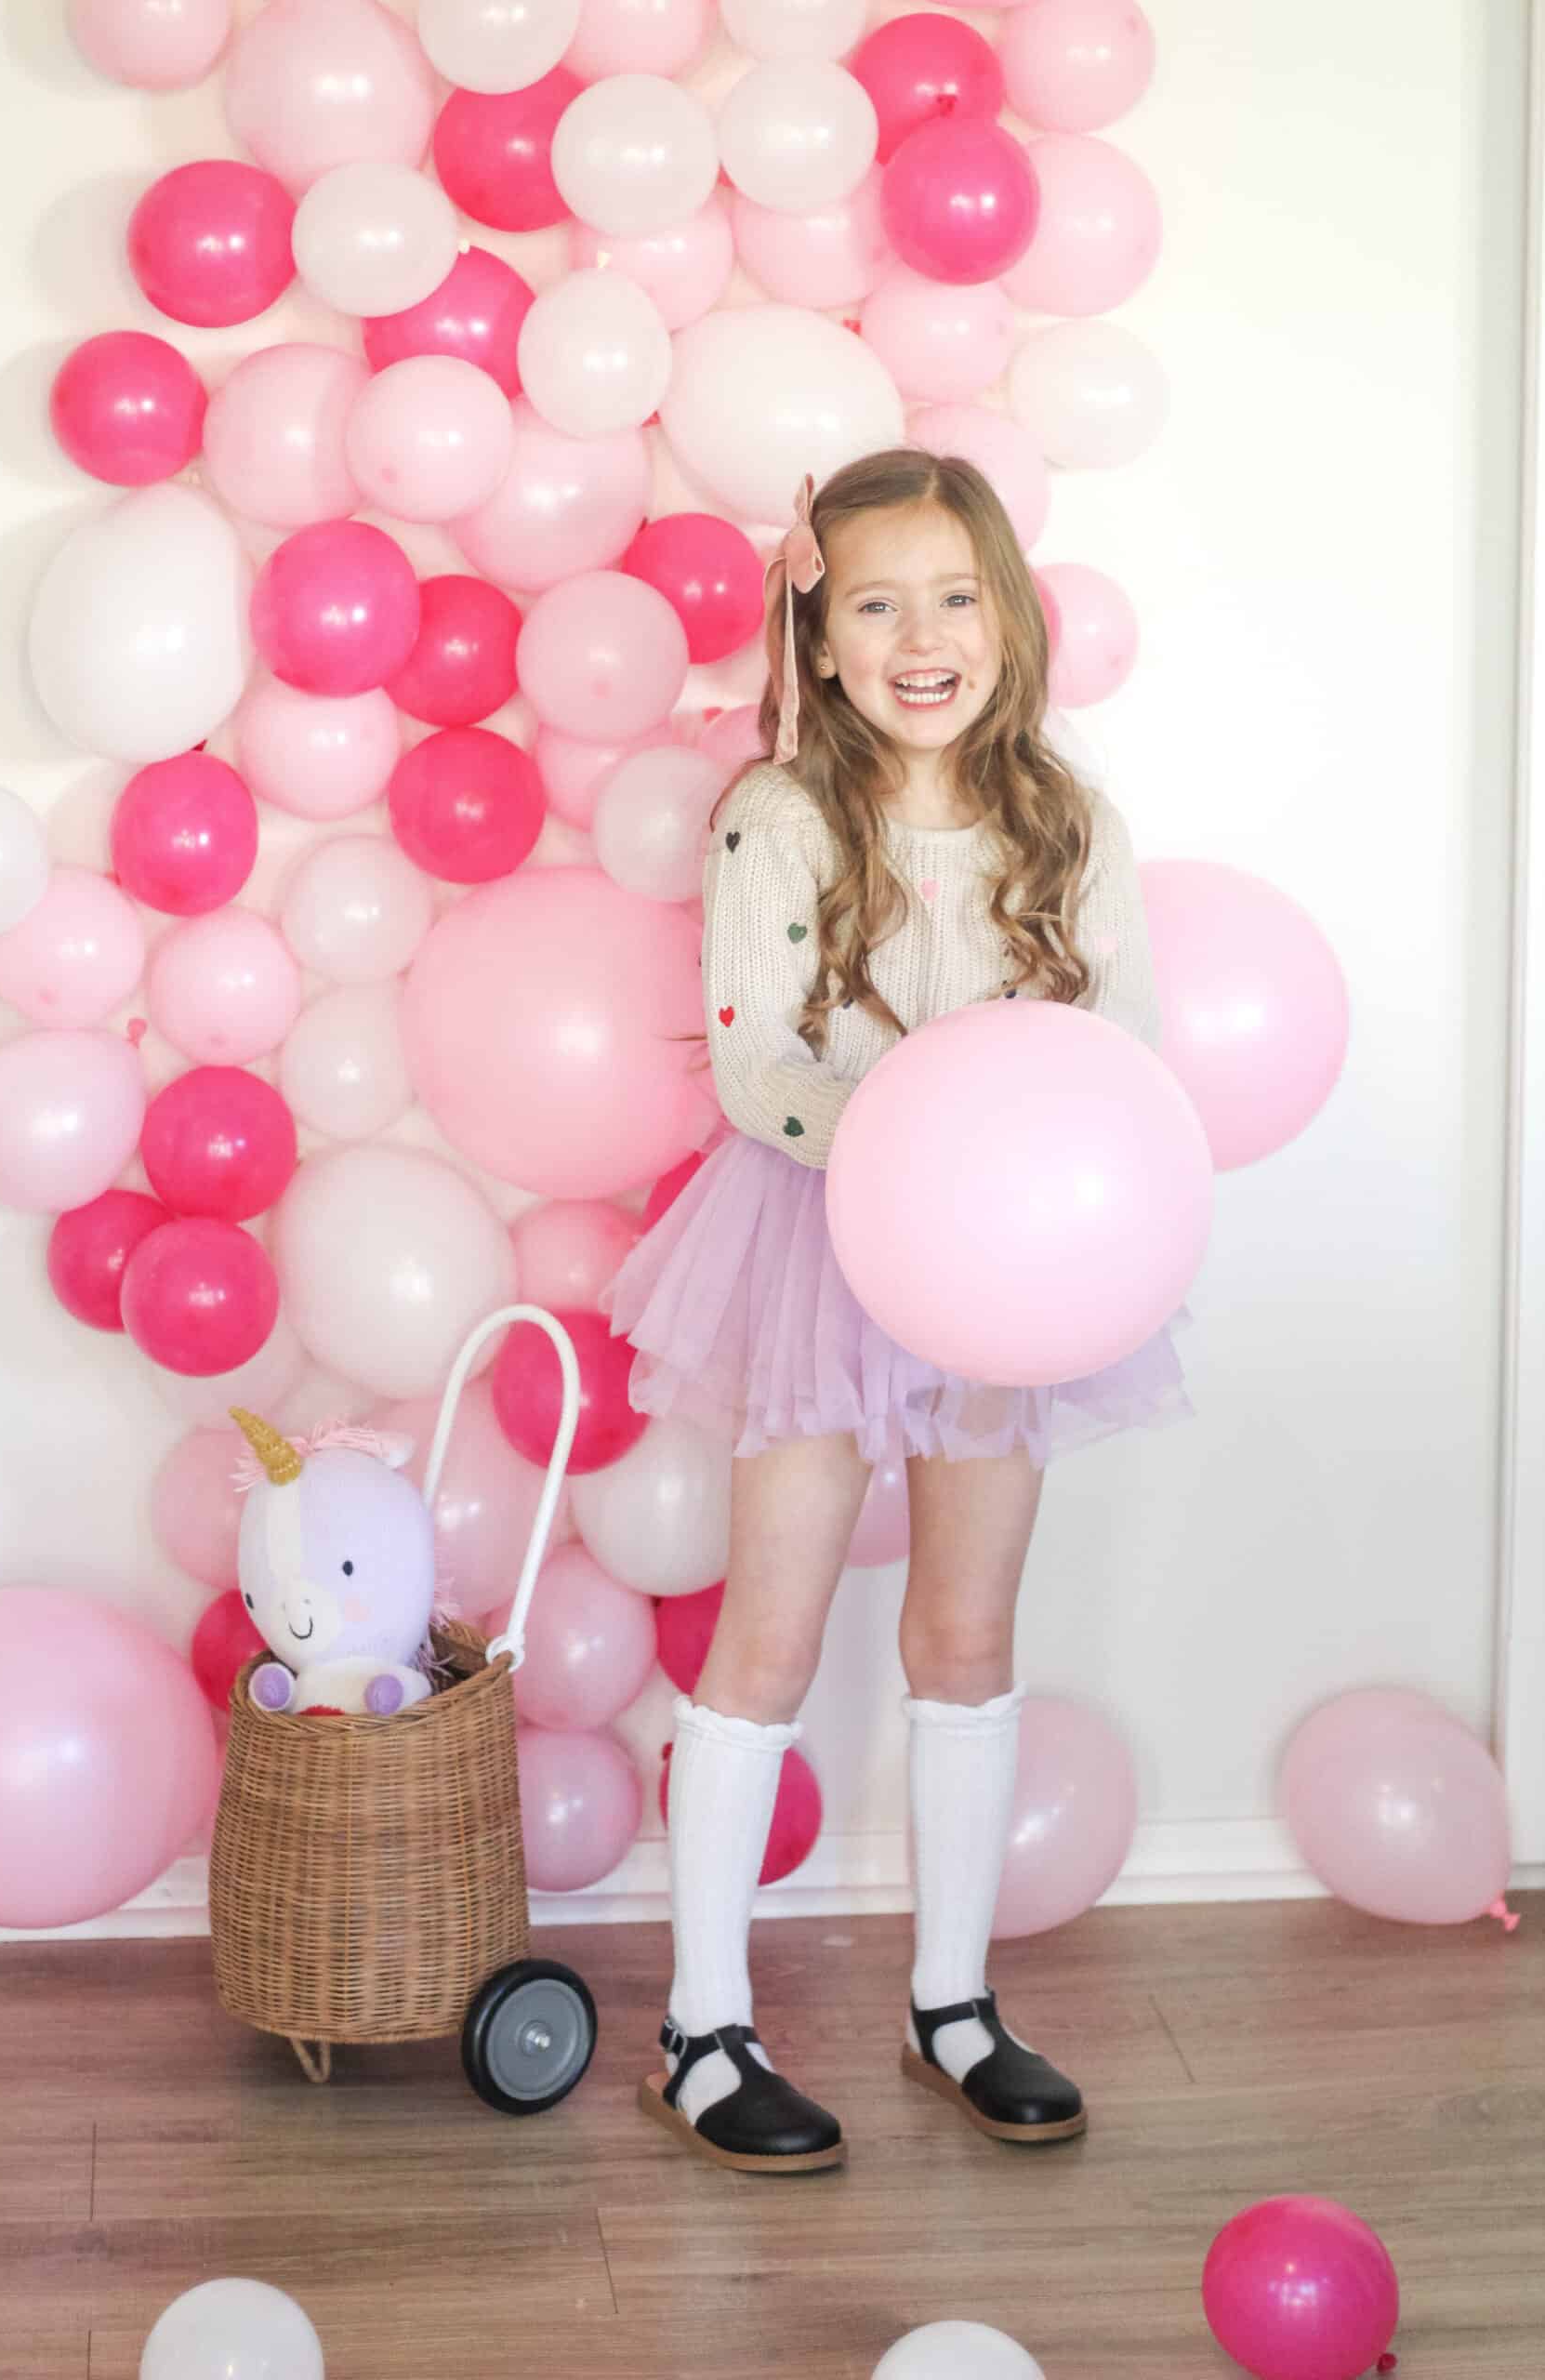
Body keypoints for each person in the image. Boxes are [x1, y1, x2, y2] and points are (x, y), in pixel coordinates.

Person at [604, 447, 1194, 2175]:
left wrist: (1016, 1187)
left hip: (1011, 1273)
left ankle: (955, 1999)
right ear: (822, 627)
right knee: (771, 1634)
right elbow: (755, 1064)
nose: (919, 635)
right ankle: (702, 2028)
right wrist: (914, 1147)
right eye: (875, 601)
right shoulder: (780, 817)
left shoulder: (1067, 819)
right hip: (815, 1246)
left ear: (1006, 614)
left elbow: (1123, 1057)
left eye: (953, 596)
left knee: (964, 1631)